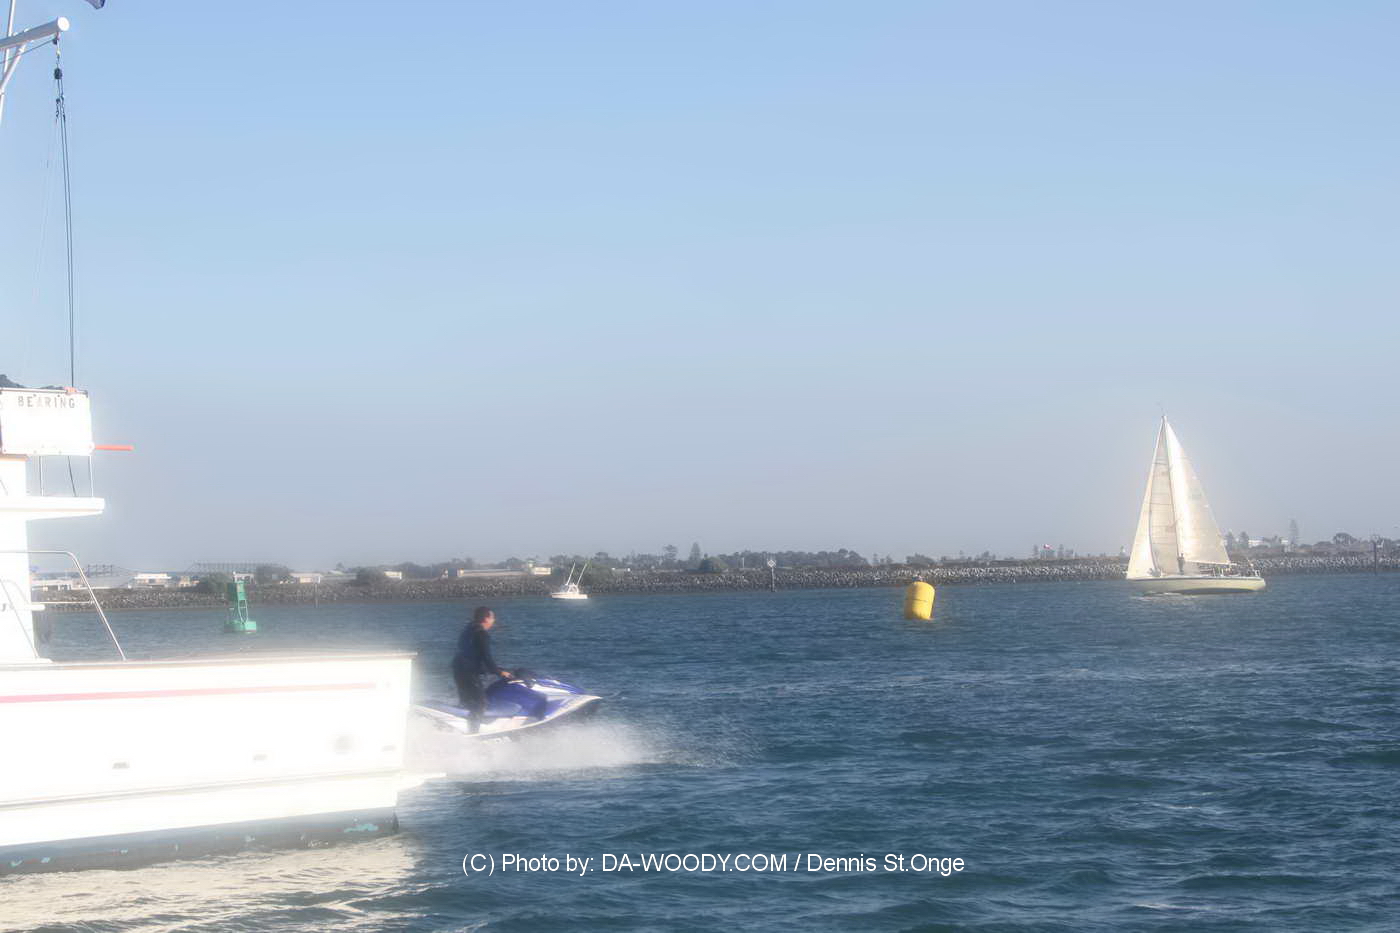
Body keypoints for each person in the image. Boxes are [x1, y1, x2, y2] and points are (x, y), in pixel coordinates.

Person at [452, 606, 511, 734]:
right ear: (486, 619)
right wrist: (499, 672)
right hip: (469, 672)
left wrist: (492, 669)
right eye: (492, 618)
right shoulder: (481, 634)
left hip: (458, 668)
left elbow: (470, 653)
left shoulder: (468, 628)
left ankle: (459, 729)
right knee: (480, 703)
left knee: (467, 702)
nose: (494, 621)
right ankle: (473, 734)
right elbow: (486, 657)